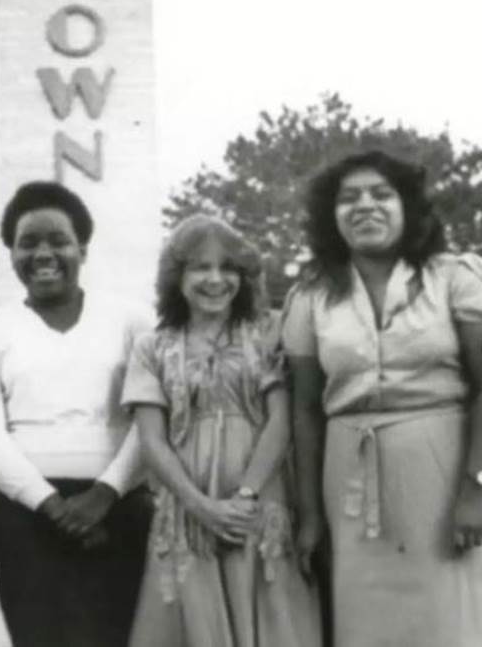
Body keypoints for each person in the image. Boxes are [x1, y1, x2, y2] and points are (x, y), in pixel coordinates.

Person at [282, 150, 482, 647]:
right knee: (363, 622)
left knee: (448, 620)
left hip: (442, 474)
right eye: (349, 199)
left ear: (408, 206)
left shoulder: (457, 277)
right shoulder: (312, 295)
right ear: (332, 216)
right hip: (347, 481)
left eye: (381, 194)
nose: (365, 206)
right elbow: (304, 410)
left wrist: (476, 488)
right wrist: (310, 516)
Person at [0, 180, 154, 647]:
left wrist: (105, 494)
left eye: (58, 241)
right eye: (28, 243)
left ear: (82, 249)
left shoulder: (131, 320)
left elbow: (153, 419)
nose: (43, 253)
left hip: (119, 510)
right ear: (12, 254)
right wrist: (50, 506)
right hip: (22, 517)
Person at [121, 214, 322, 647]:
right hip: (189, 503)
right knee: (197, 620)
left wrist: (244, 499)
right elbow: (152, 439)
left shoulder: (266, 333)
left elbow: (281, 420)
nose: (216, 279)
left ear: (245, 276)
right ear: (177, 276)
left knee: (267, 615)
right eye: (200, 267)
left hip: (258, 496)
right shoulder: (153, 347)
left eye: (228, 268)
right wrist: (201, 506)